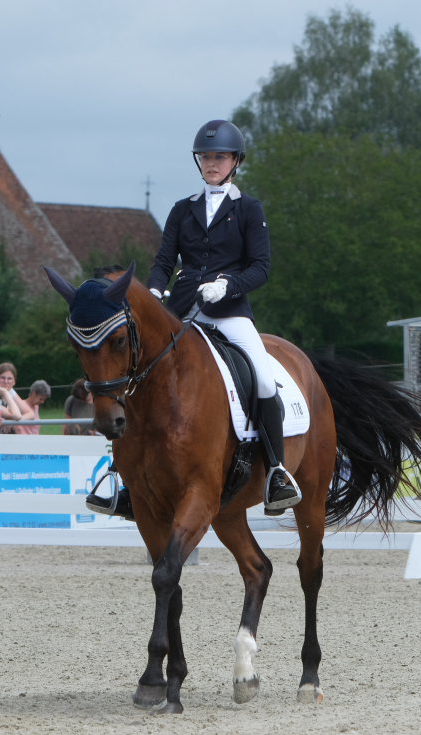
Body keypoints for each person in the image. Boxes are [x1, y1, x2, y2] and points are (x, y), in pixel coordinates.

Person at [125, 117, 300, 517]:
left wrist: (229, 285)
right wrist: (153, 293)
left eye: (220, 157)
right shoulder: (182, 209)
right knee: (136, 374)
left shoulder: (248, 209)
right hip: (182, 312)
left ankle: (276, 471)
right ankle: (122, 475)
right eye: (205, 157)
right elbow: (164, 261)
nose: (212, 163)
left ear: (236, 161)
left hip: (229, 313)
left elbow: (261, 267)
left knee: (262, 377)